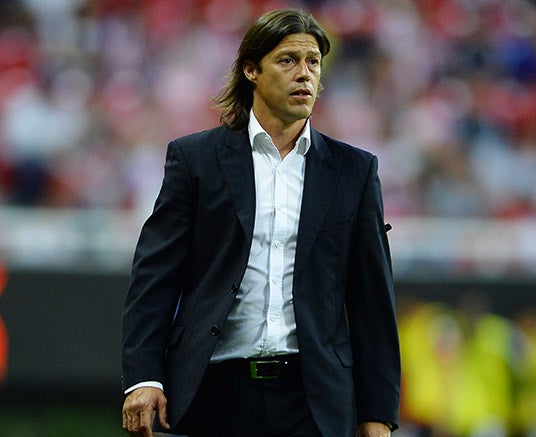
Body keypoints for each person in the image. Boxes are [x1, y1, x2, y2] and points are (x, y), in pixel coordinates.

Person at [121, 9, 400, 437]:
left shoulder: (354, 171)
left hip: (315, 401)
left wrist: (377, 412)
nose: (305, 74)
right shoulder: (196, 160)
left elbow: (371, 299)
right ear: (251, 70)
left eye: (313, 62)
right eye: (288, 60)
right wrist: (144, 377)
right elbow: (155, 277)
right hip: (214, 391)